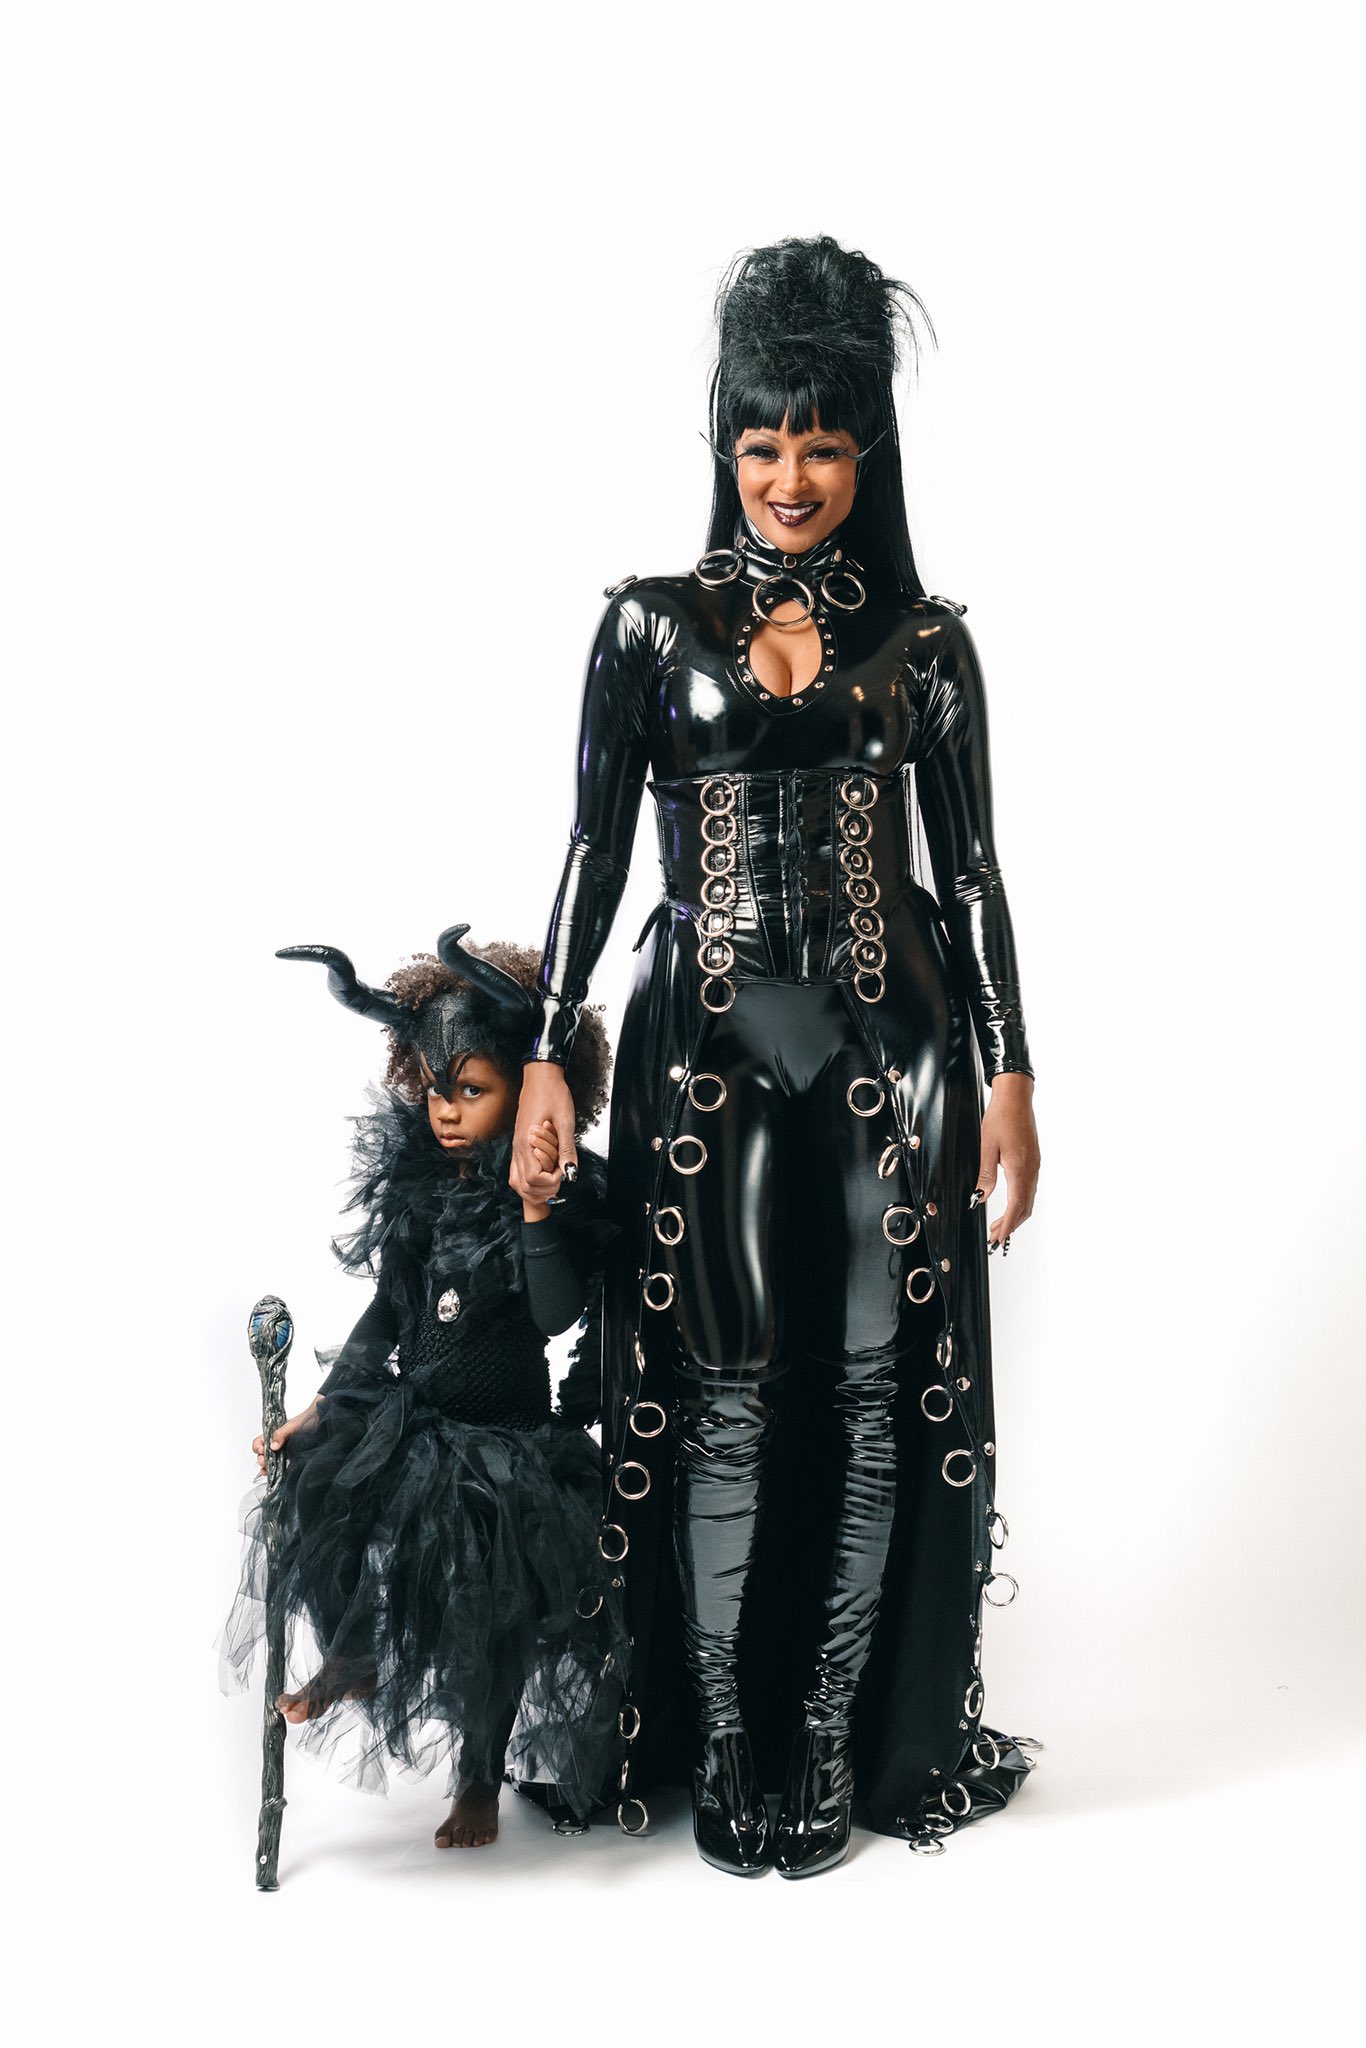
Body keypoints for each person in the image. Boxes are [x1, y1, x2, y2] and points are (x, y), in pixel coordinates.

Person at [511, 236, 1041, 1878]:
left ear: (867, 448)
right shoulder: (646, 629)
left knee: (876, 1390)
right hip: (711, 1048)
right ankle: (734, 1736)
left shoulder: (929, 644)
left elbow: (971, 875)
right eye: (762, 444)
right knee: (727, 1390)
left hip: (898, 1046)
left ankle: (823, 1728)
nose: (791, 479)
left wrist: (1013, 1072)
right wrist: (546, 1051)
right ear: (723, 445)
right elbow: (593, 853)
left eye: (821, 444)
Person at [221, 925, 625, 1851]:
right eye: (437, 1089)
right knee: (322, 1490)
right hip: (419, 1418)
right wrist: (325, 1405)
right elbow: (389, 1311)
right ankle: (357, 1652)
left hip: (511, 1446)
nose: (447, 1110)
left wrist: (535, 1210)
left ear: (529, 1089)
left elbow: (557, 1314)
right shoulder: (416, 1188)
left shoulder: (550, 1192)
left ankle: (479, 1775)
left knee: (495, 1612)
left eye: (473, 1090)